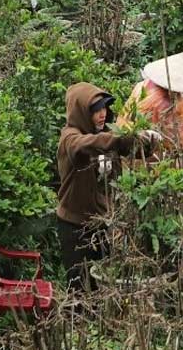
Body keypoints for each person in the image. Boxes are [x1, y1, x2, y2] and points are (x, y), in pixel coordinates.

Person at [56, 82, 159, 289]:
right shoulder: (70, 137)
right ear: (81, 111)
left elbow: (125, 147)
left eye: (104, 108)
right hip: (75, 225)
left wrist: (146, 141)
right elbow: (87, 145)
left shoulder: (105, 134)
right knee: (79, 287)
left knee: (103, 283)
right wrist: (119, 139)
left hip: (102, 223)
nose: (102, 114)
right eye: (95, 110)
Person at [118, 52, 183, 161]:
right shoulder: (160, 101)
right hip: (142, 143)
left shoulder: (146, 84)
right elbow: (169, 137)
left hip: (127, 133)